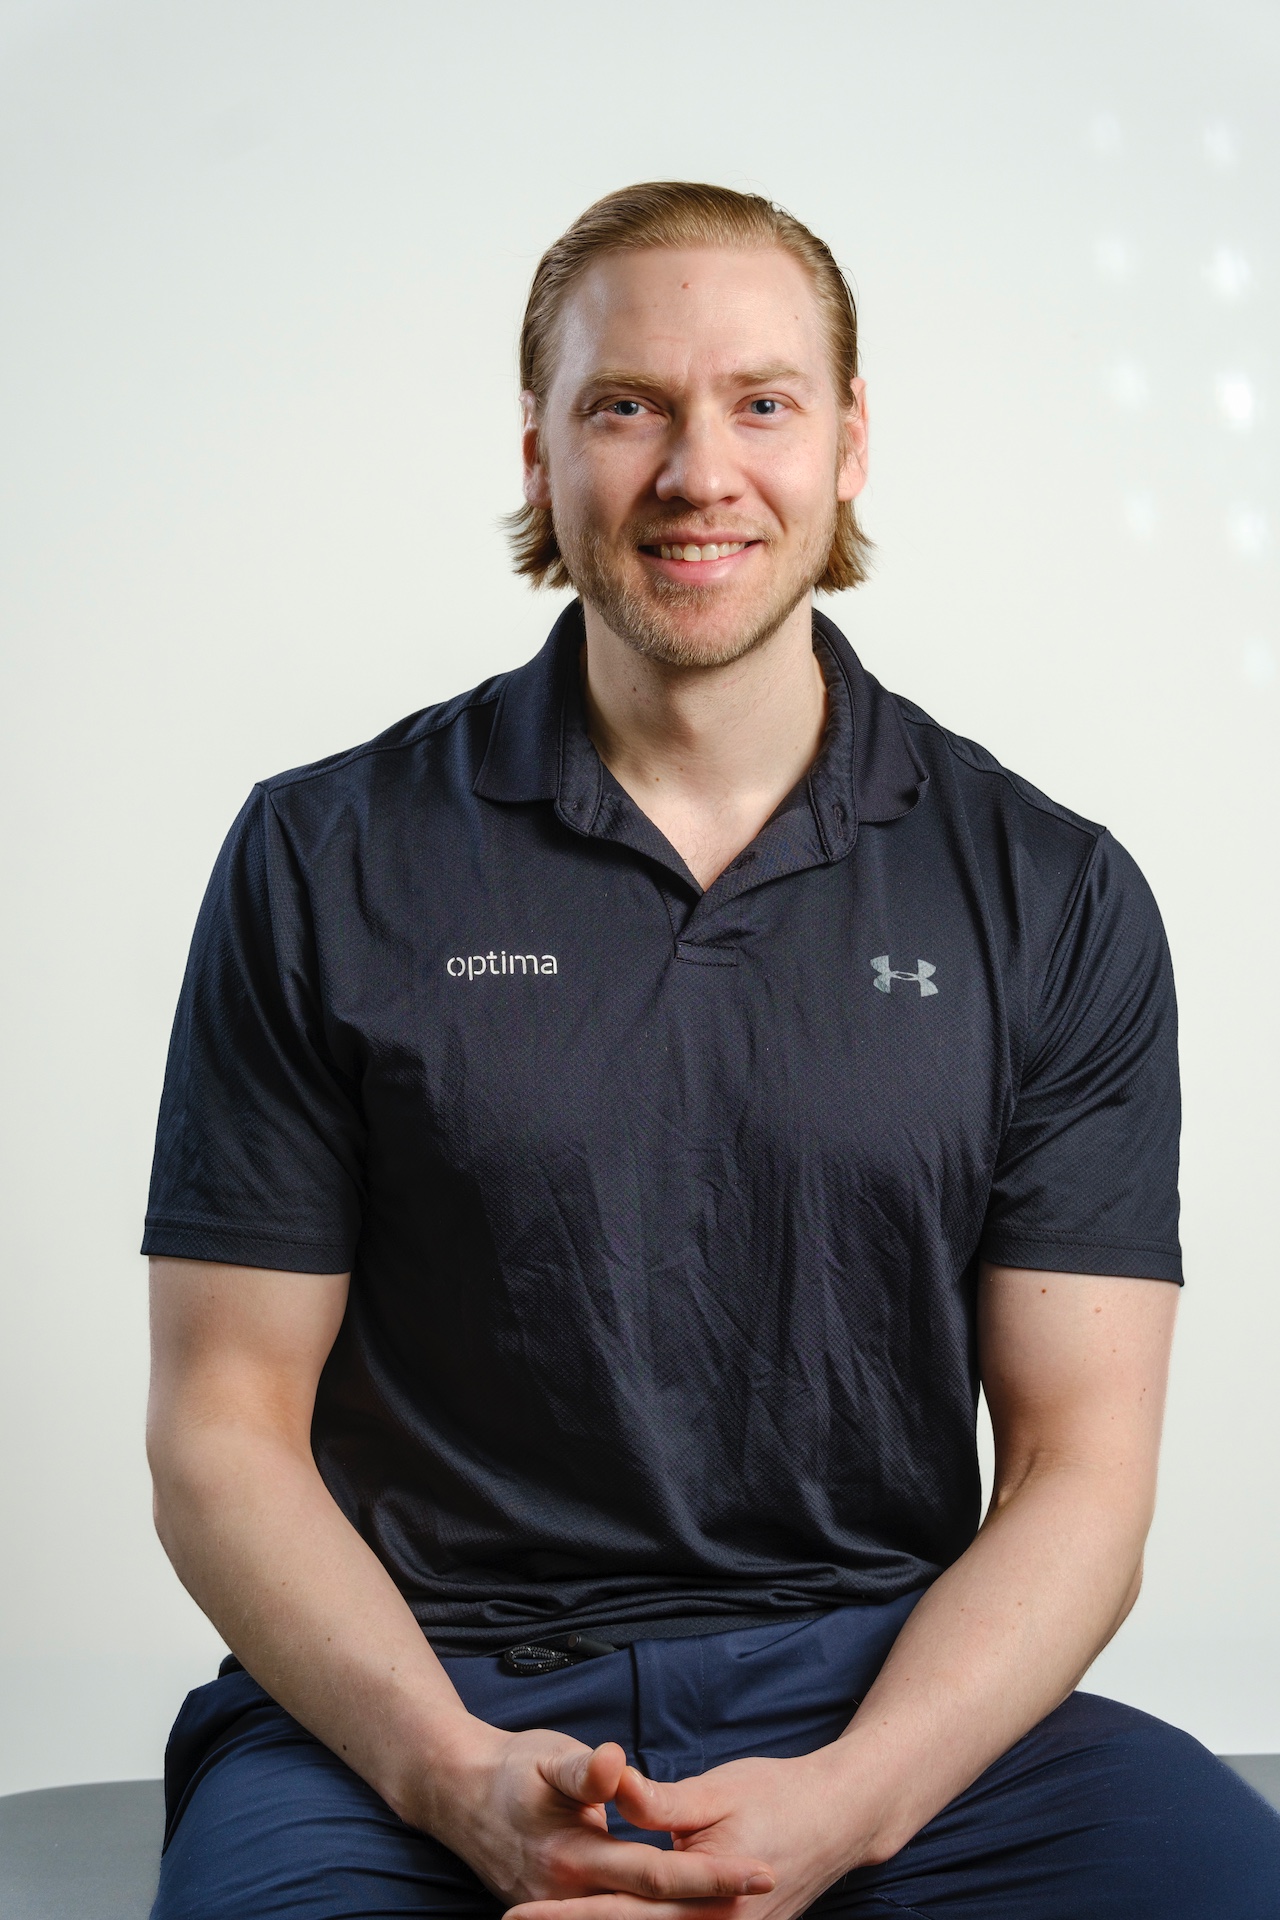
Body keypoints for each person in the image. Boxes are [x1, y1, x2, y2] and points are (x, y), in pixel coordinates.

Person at [142, 182, 1280, 1919]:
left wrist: (852, 1804)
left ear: (849, 442)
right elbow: (221, 1432)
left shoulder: (1050, 893)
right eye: (627, 406)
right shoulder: (321, 859)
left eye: (762, 402)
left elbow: (1083, 1473)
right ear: (538, 448)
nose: (700, 471)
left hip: (886, 1697)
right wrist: (453, 1778)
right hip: (424, 1695)